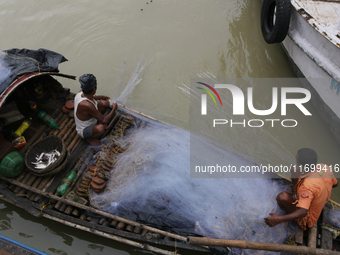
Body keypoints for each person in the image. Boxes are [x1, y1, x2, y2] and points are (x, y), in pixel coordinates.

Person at [264, 148, 338, 230]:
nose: (295, 160)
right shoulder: (324, 167)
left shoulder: (307, 186)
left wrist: (278, 219)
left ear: (301, 164)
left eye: (296, 159)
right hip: (314, 196)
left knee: (282, 197)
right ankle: (295, 193)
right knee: (294, 169)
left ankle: (292, 207)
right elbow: (335, 184)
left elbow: (303, 212)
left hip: (307, 217)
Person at [74, 74, 117, 146]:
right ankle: (89, 138)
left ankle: (96, 124)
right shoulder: (87, 105)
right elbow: (105, 120)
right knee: (101, 128)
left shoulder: (81, 93)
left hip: (92, 120)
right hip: (84, 130)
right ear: (94, 89)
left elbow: (91, 97)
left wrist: (102, 96)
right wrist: (114, 109)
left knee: (104, 103)